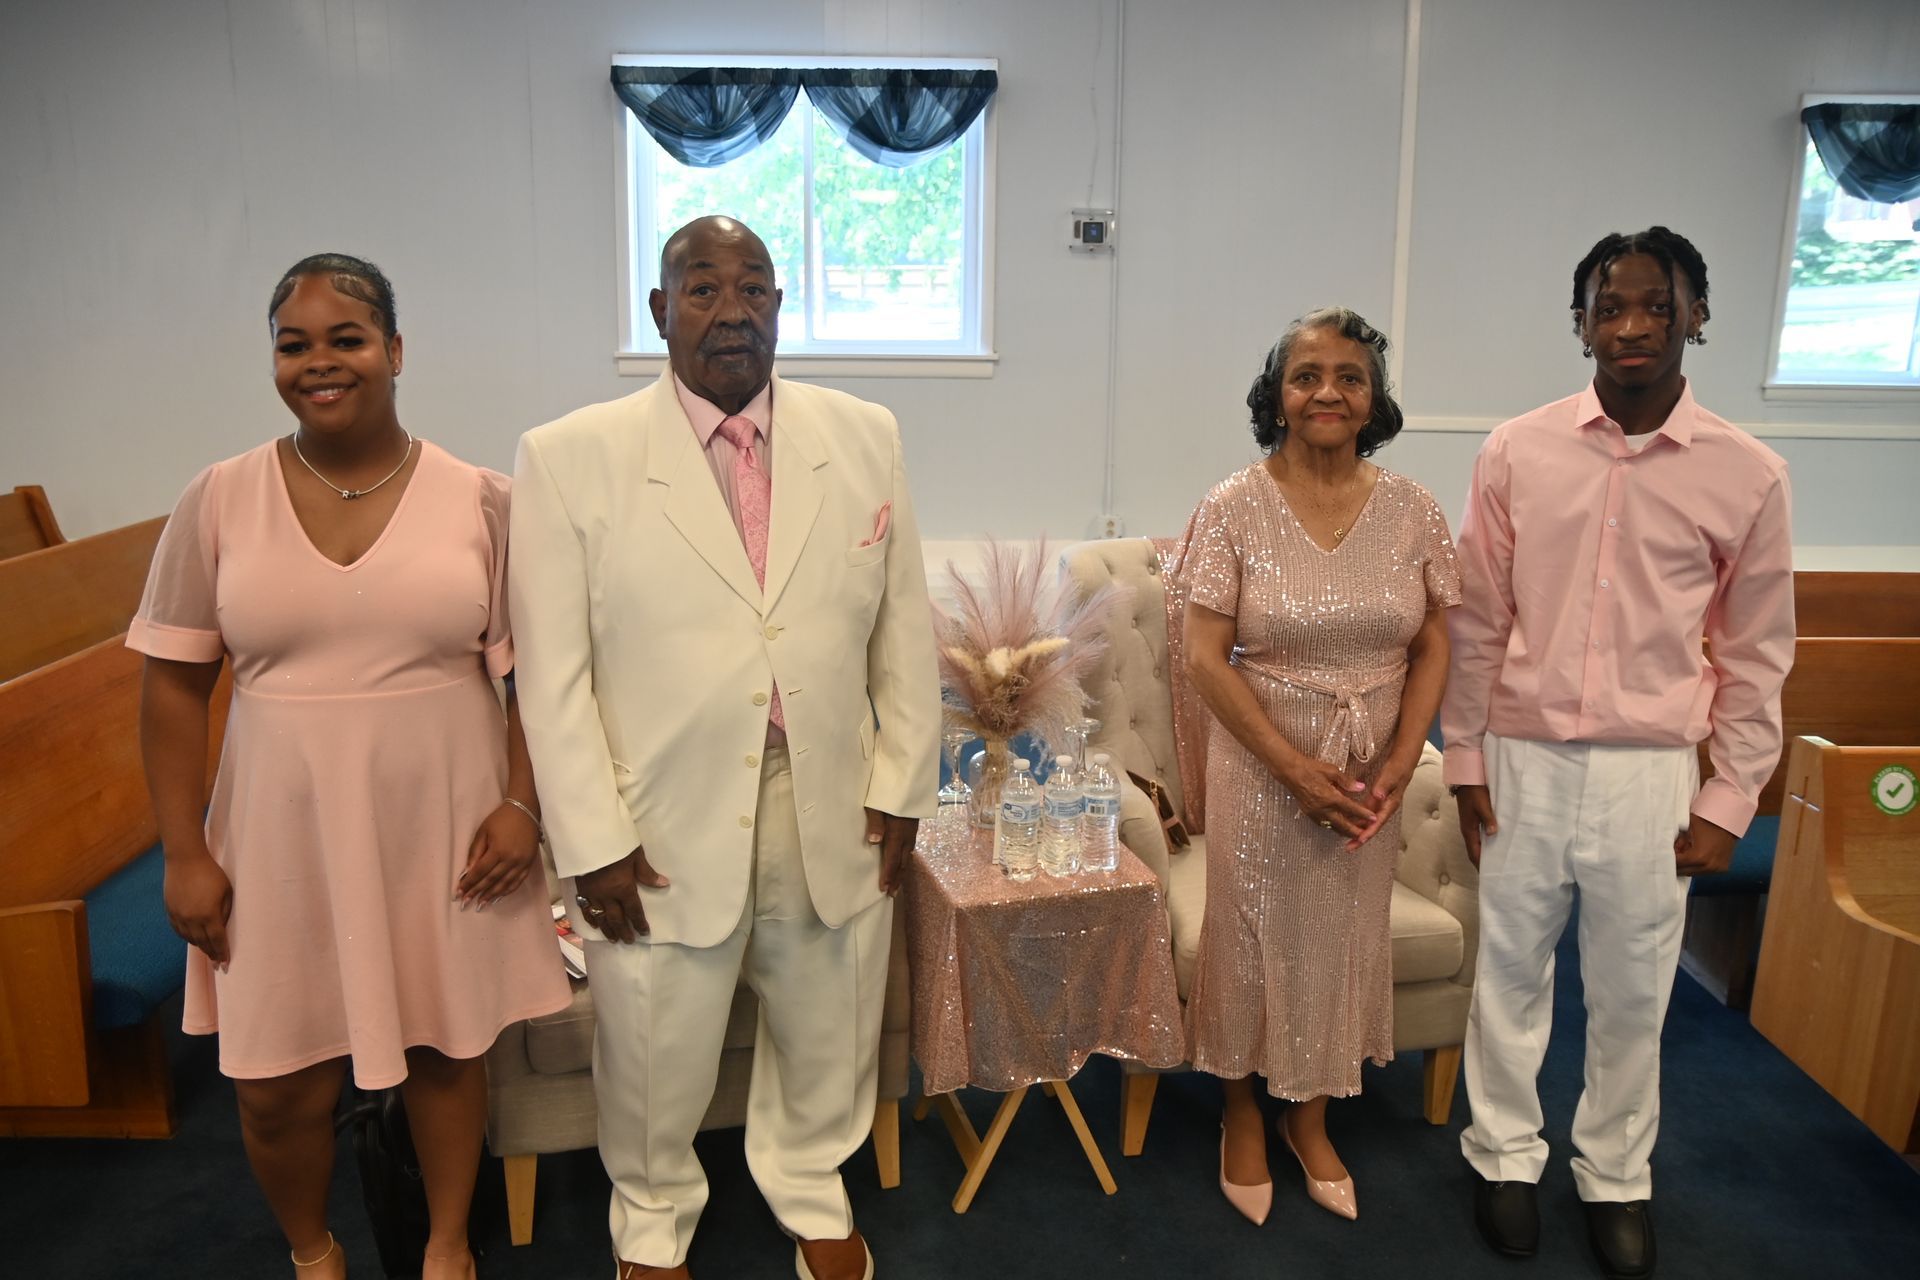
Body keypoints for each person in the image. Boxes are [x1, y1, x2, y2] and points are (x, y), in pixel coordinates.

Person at [508, 215, 939, 1280]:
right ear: (662, 311)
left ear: (781, 308)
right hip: (657, 812)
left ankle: (813, 1183)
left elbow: (902, 629)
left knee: (829, 1013)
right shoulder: (569, 458)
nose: (731, 310)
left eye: (754, 289)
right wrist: (590, 842)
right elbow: (551, 681)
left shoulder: (866, 434)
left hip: (828, 792)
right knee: (656, 1037)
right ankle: (651, 1216)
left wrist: (902, 787)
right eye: (703, 289)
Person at [131, 253, 572, 1279]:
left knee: (445, 1047)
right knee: (274, 1082)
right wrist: (183, 852)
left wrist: (522, 804)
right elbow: (171, 689)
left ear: (395, 350)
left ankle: (448, 1243)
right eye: (294, 344)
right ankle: (314, 1250)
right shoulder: (218, 498)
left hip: (442, 822)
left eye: (347, 338)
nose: (319, 362)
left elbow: (537, 676)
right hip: (279, 829)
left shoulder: (484, 500)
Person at [1443, 227, 1794, 1280]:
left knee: (1636, 987)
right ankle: (1504, 1154)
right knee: (1509, 968)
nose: (1631, 325)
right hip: (1524, 755)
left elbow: (1756, 650)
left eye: (1655, 305)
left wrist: (1731, 796)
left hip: (1651, 771)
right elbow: (1477, 621)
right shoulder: (1516, 451)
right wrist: (1464, 759)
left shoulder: (1749, 474)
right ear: (1581, 322)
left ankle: (1615, 1174)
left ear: (1696, 316)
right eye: (1609, 306)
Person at [1178, 307, 1460, 1226]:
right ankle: (1240, 1109)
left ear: (1374, 399)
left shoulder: (1414, 508)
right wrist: (1293, 769)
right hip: (1262, 764)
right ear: (1277, 396)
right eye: (1306, 375)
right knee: (1248, 934)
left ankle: (1309, 1115)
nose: (1327, 391)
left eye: (1350, 376)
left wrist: (1404, 755)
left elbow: (1435, 640)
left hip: (1370, 768)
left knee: (1343, 939)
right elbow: (1203, 656)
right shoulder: (1232, 505)